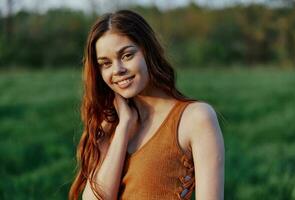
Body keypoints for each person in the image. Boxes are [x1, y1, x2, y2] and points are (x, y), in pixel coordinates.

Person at [69, 9, 224, 200]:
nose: (118, 70)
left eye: (127, 55)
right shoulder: (110, 126)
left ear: (148, 51)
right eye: (106, 63)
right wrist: (124, 127)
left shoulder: (195, 118)